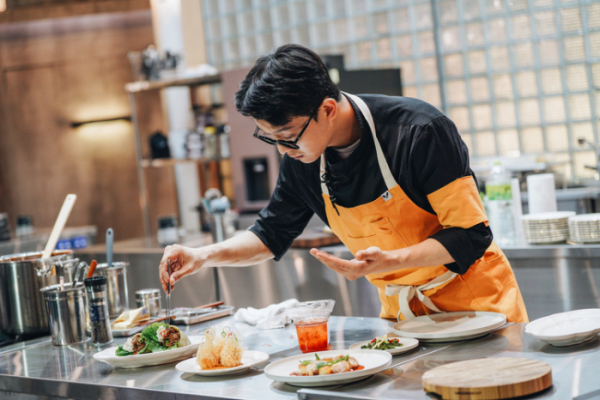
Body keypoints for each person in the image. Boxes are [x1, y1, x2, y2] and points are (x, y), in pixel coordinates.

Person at [159, 44, 528, 323]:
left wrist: (391, 260)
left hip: (478, 310)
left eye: (288, 136)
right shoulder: (304, 157)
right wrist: (204, 255)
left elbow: (471, 234)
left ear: (328, 110)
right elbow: (270, 233)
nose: (284, 150)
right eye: (270, 139)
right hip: (404, 322)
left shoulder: (418, 131)